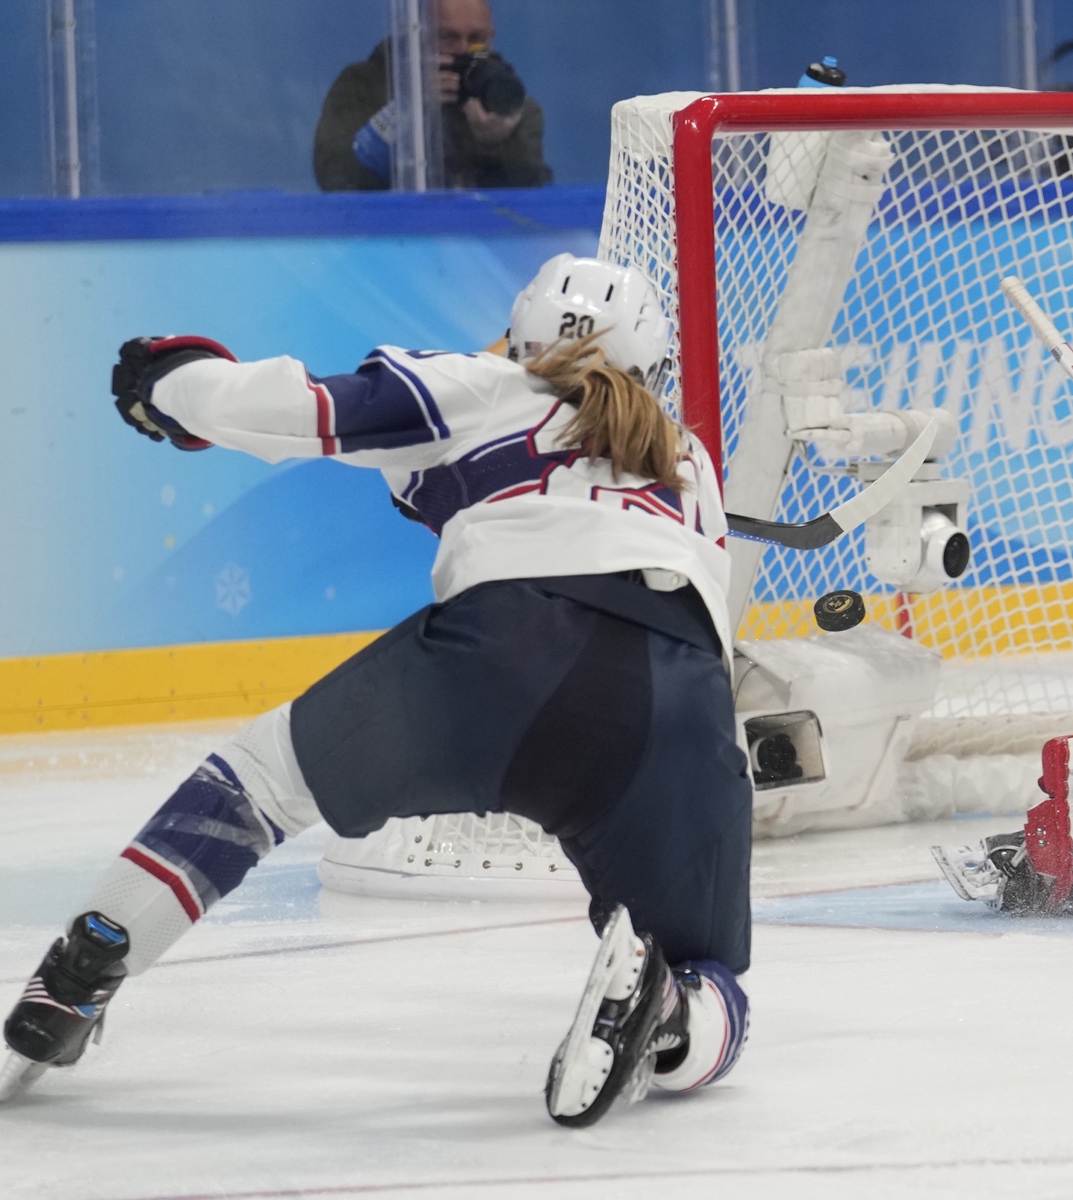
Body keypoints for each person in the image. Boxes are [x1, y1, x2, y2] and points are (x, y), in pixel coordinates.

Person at [0, 255, 750, 1127]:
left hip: (503, 655)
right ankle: (668, 1011)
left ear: (524, 336)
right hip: (679, 707)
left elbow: (297, 411)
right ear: (652, 364)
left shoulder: (483, 383)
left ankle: (82, 972)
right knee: (712, 980)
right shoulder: (690, 462)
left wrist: (170, 377)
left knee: (252, 791)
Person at [314, 0, 551, 191]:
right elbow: (338, 178)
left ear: (491, 36)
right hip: (388, 238)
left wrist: (499, 144)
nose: (463, 50)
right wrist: (406, 108)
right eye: (449, 37)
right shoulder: (362, 84)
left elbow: (531, 200)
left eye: (477, 39)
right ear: (415, 35)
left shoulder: (506, 102)